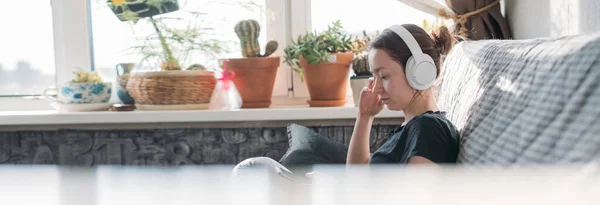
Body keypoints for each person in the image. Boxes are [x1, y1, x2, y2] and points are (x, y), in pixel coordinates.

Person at [232, 24, 460, 181]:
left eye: (385, 76)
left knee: (254, 170)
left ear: (419, 72)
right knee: (259, 169)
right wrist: (365, 116)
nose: (377, 87)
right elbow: (358, 175)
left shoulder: (429, 128)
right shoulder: (412, 128)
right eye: (374, 76)